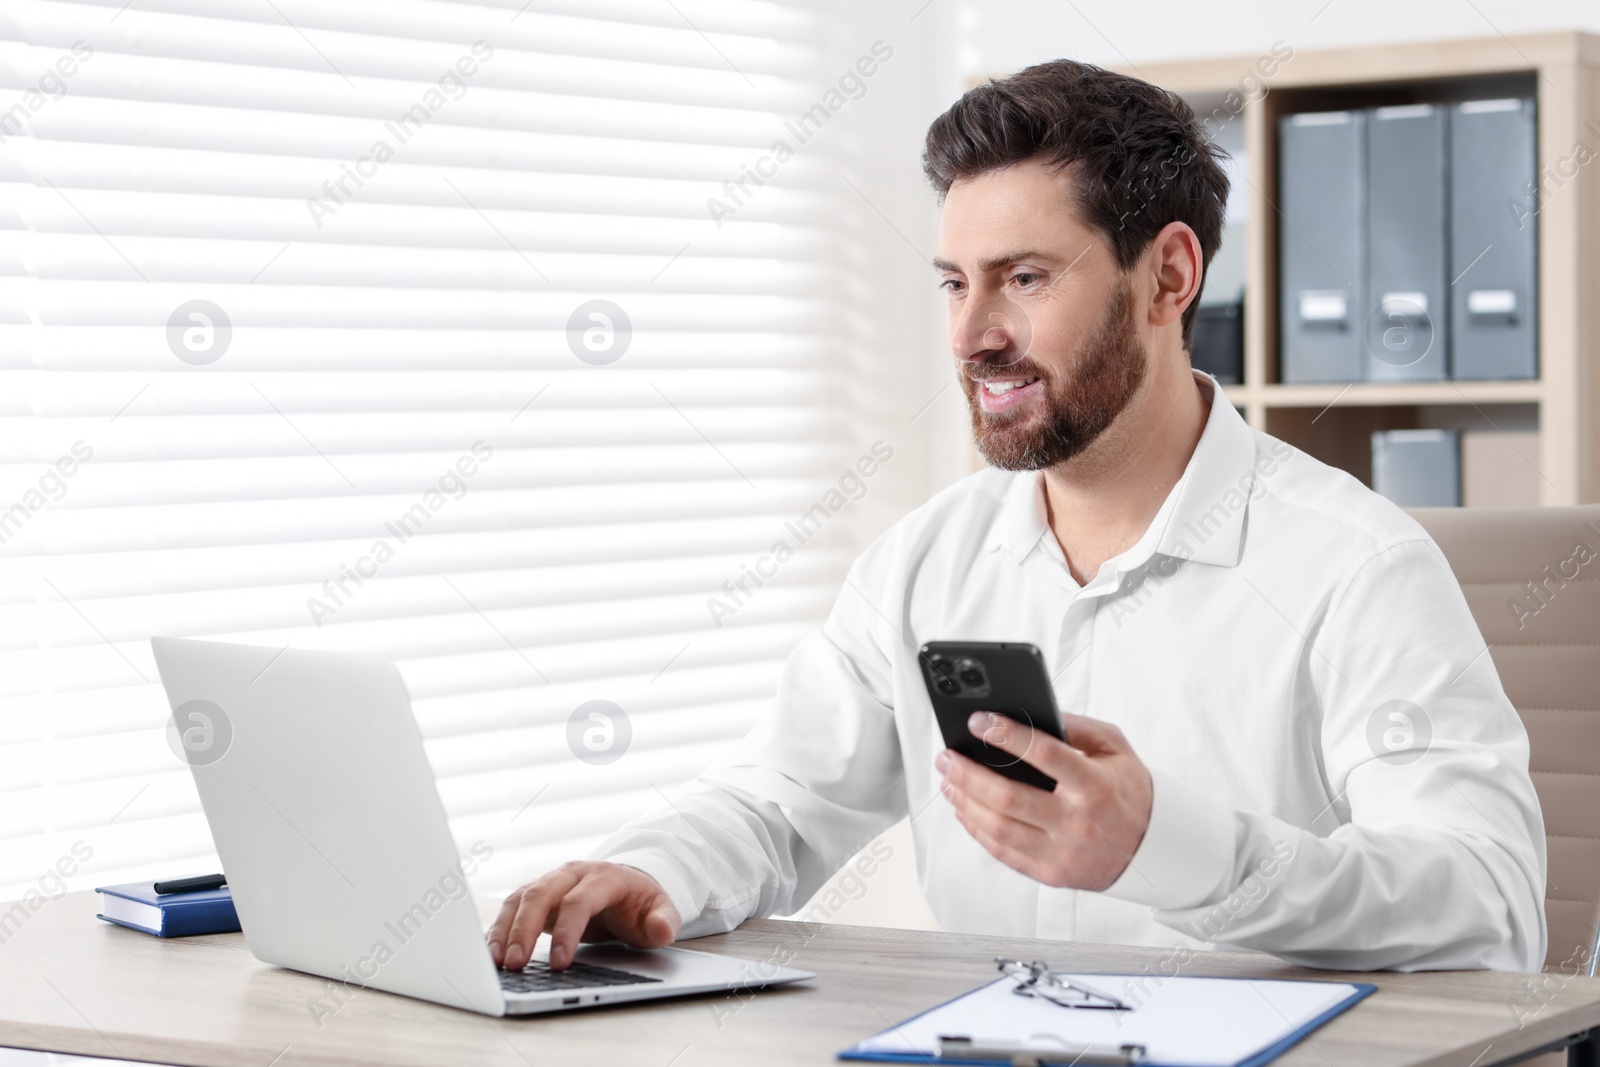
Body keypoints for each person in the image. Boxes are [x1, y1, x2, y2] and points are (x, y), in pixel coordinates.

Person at [488, 59, 1546, 974]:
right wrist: (647, 868)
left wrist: (1170, 847)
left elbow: (1491, 902)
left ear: (1167, 276)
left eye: (1025, 278)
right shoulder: (923, 562)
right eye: (955, 283)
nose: (972, 334)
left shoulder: (1354, 565)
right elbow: (780, 798)